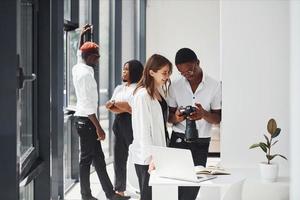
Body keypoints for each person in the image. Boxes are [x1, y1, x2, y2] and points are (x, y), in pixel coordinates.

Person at [72, 25, 130, 200]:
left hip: (84, 121)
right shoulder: (86, 76)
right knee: (86, 161)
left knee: (99, 159)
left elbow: (79, 54)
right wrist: (99, 128)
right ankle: (86, 196)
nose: (98, 61)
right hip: (86, 121)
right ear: (89, 57)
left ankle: (110, 194)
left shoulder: (79, 67)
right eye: (96, 58)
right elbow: (89, 106)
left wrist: (83, 36)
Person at [167, 48, 222, 200]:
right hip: (178, 139)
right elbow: (169, 117)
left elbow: (217, 118)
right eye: (182, 72)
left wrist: (203, 114)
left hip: (201, 142)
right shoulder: (175, 85)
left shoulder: (215, 85)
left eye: (190, 70)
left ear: (198, 63)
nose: (187, 75)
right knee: (174, 183)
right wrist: (177, 118)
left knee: (193, 185)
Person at [129, 54, 172, 200]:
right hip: (146, 157)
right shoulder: (142, 95)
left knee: (157, 195)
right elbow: (142, 131)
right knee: (147, 196)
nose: (167, 76)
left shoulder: (158, 92)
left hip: (159, 152)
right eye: (164, 73)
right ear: (151, 72)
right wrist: (152, 157)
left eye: (168, 73)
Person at [105, 60, 144, 196]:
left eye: (127, 69)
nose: (124, 72)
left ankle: (142, 187)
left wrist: (116, 104)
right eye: (123, 69)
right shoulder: (119, 88)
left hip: (132, 124)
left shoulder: (138, 89)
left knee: (137, 157)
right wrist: (120, 106)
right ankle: (119, 190)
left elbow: (131, 108)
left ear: (134, 72)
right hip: (119, 124)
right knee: (119, 158)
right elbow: (113, 108)